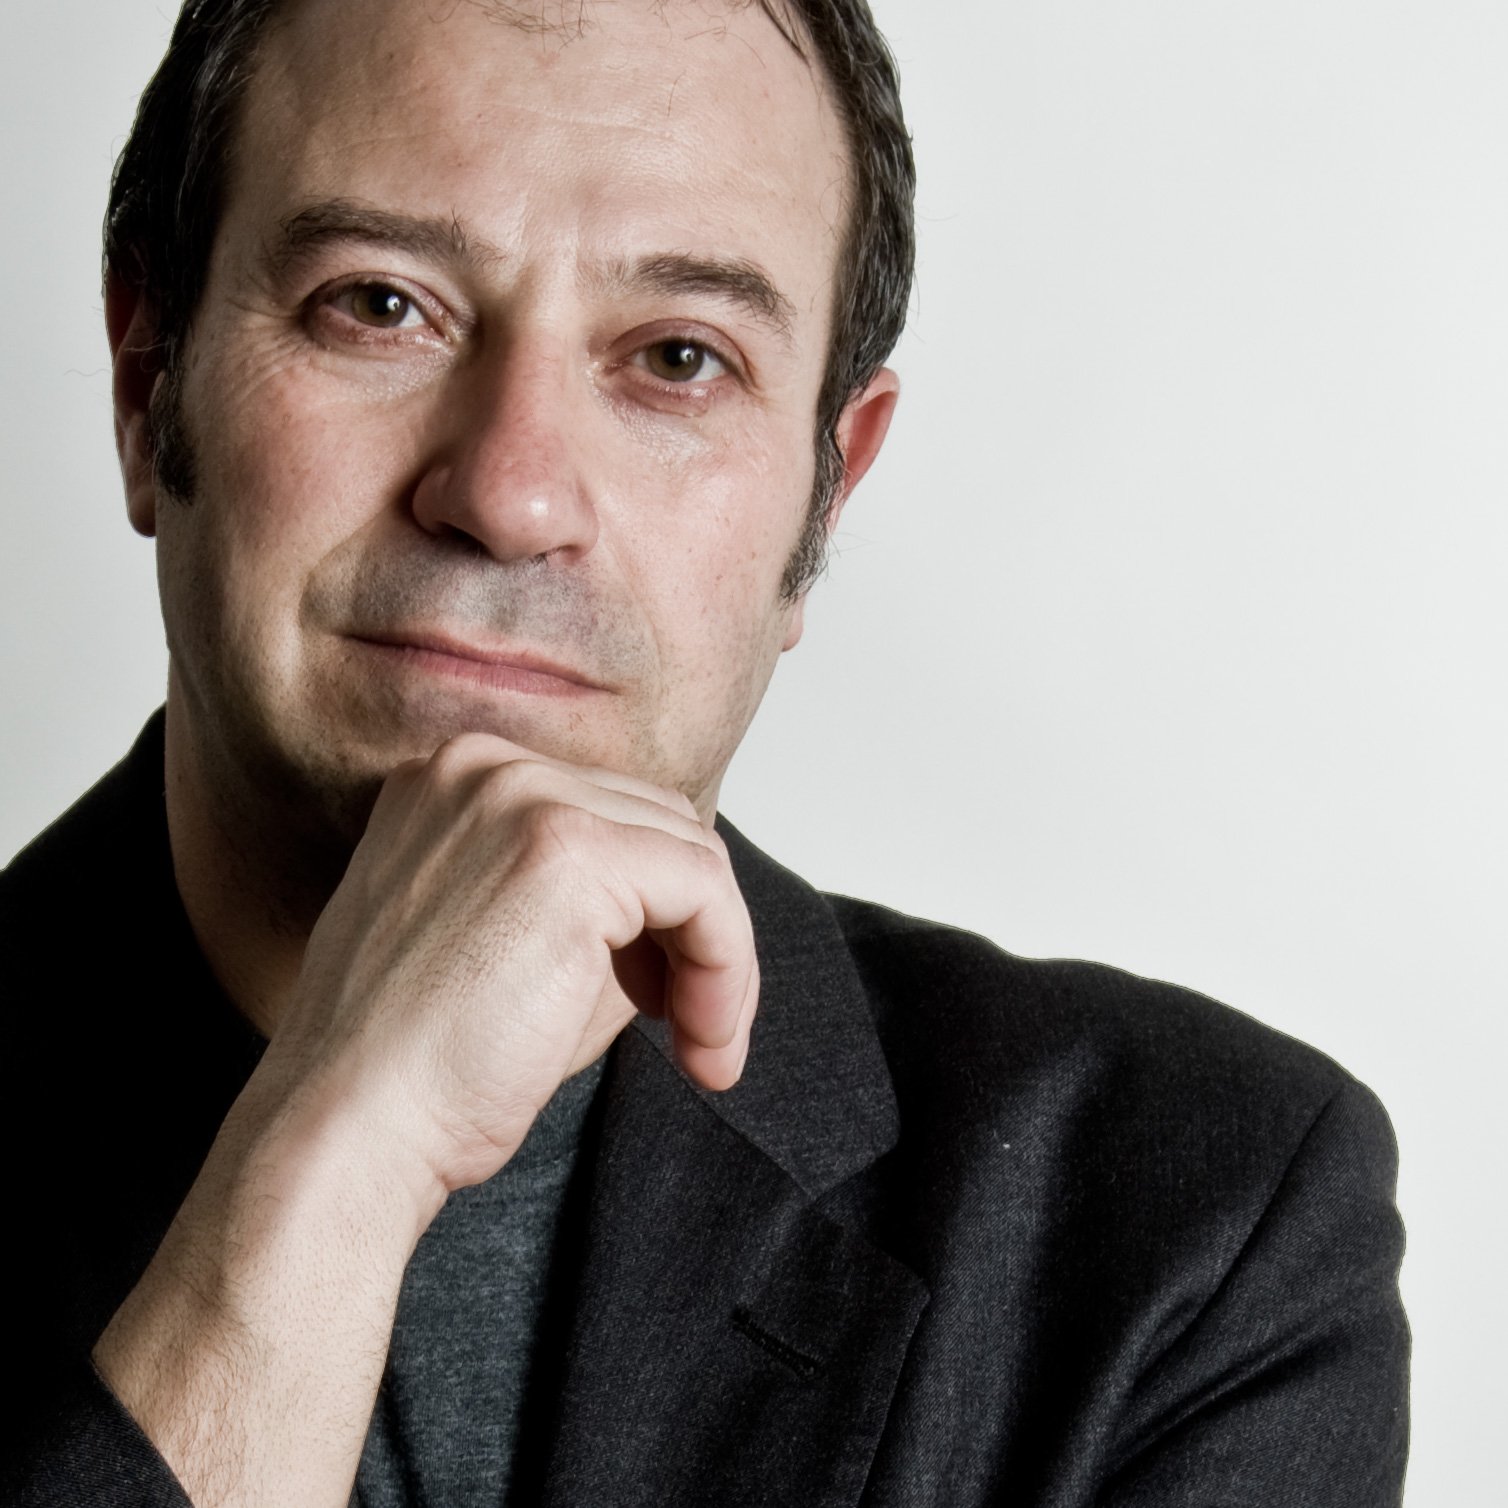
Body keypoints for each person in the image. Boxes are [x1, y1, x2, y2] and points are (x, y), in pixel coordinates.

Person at [1, 0, 1408, 1504]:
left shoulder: (1194, 1234)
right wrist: (334, 1166)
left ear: (824, 497)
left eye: (679, 356)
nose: (513, 495)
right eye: (380, 304)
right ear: (148, 382)